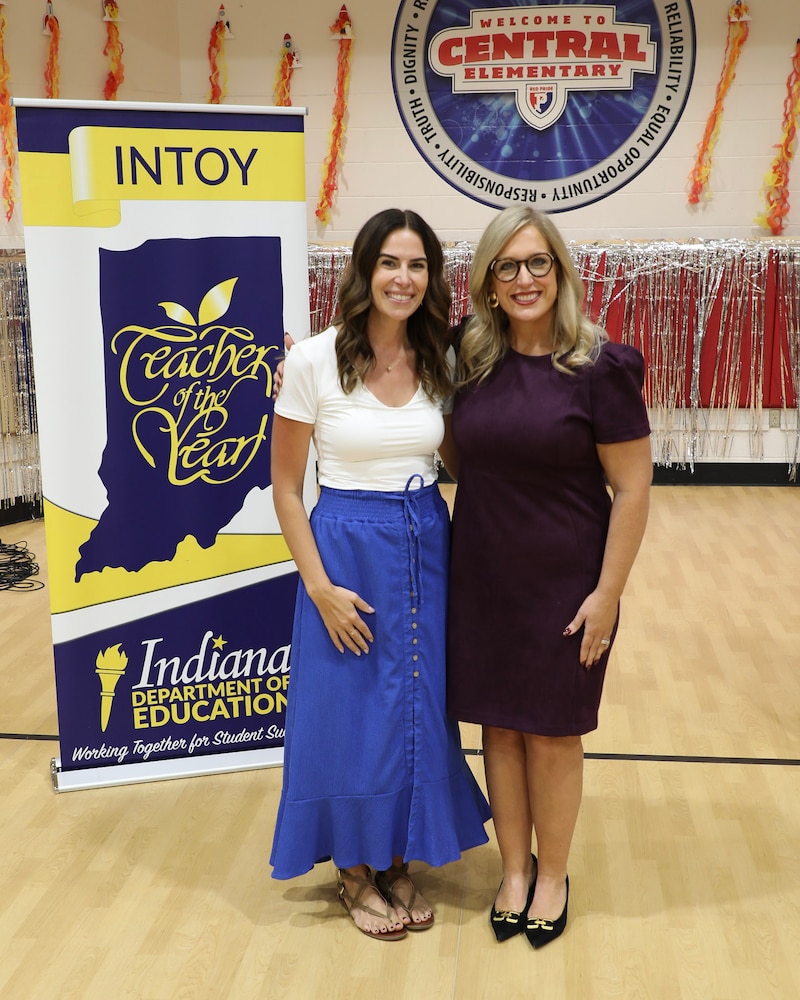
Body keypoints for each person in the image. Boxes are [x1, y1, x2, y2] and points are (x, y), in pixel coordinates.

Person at [269, 208, 491, 942]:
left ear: (432, 279)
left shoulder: (441, 359)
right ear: (363, 271)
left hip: (426, 540)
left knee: (417, 709)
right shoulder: (312, 361)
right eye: (390, 263)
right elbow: (287, 489)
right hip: (344, 550)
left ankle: (399, 856)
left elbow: (458, 462)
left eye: (418, 265)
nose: (403, 277)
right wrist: (320, 587)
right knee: (351, 712)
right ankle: (354, 872)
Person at [440, 205, 651, 949]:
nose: (524, 278)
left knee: (555, 735)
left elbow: (631, 489)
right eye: (508, 266)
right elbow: (462, 461)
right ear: (488, 282)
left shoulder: (600, 366)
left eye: (538, 263)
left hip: (568, 584)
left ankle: (554, 874)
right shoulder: (470, 357)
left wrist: (607, 595)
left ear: (559, 272)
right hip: (485, 576)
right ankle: (514, 870)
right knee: (499, 726)